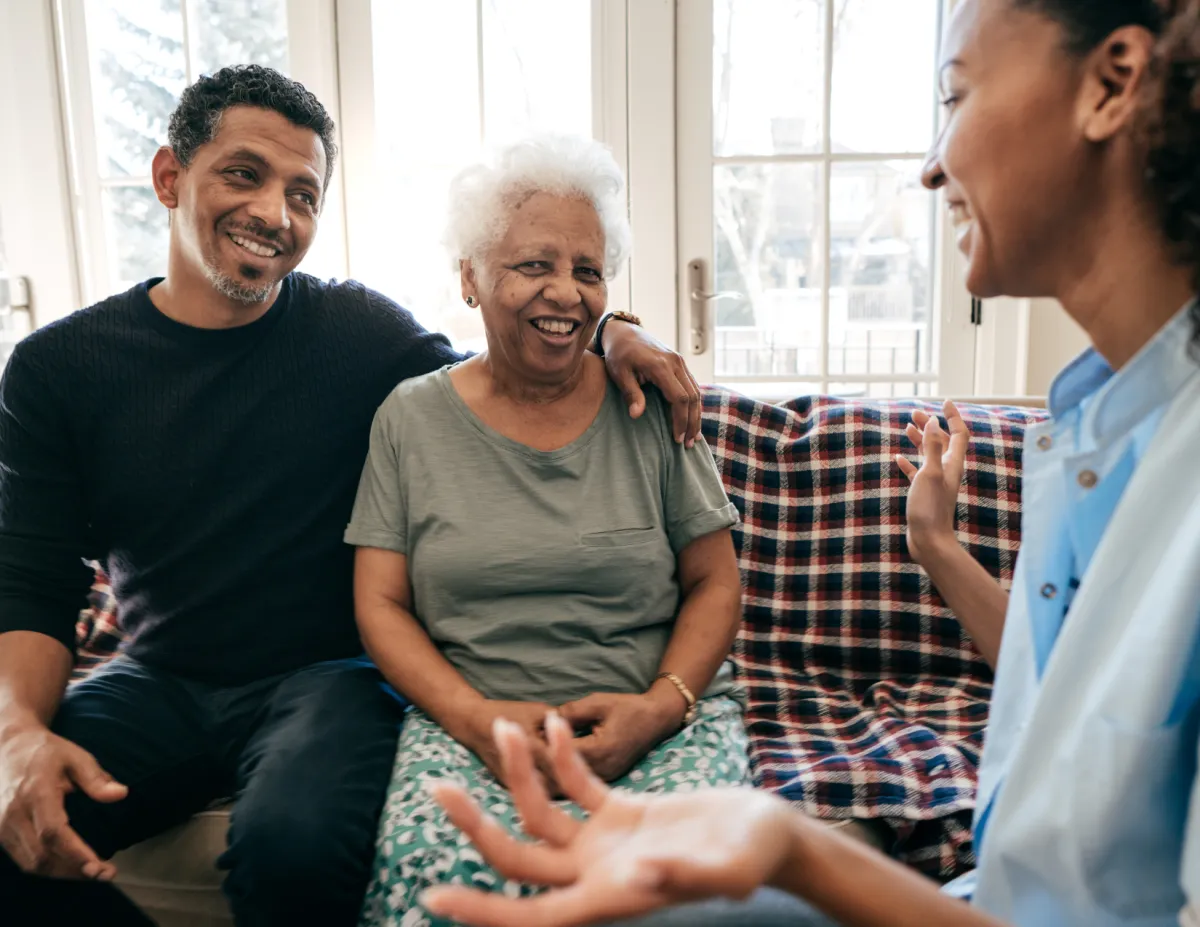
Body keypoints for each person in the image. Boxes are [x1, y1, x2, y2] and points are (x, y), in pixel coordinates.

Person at [417, 1, 1200, 925]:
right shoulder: (1097, 430)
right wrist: (937, 547)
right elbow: (1083, 706)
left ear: (1109, 85)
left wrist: (798, 850)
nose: (932, 163)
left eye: (959, 94)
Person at [0, 66, 704, 927]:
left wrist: (618, 328)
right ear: (168, 177)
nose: (275, 213)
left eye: (304, 193)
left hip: (330, 676)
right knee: (10, 816)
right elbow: (31, 581)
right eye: (244, 174)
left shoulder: (359, 334)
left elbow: (510, 355)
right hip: (160, 676)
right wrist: (16, 735)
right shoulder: (57, 369)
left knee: (292, 848)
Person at [344, 134, 751, 926]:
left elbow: (715, 579)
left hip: (658, 722)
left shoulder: (649, 401)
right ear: (470, 279)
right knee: (438, 888)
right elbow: (380, 605)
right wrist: (475, 720)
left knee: (682, 895)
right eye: (534, 265)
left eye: (588, 270)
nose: (566, 293)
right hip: (471, 730)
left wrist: (661, 708)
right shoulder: (410, 418)